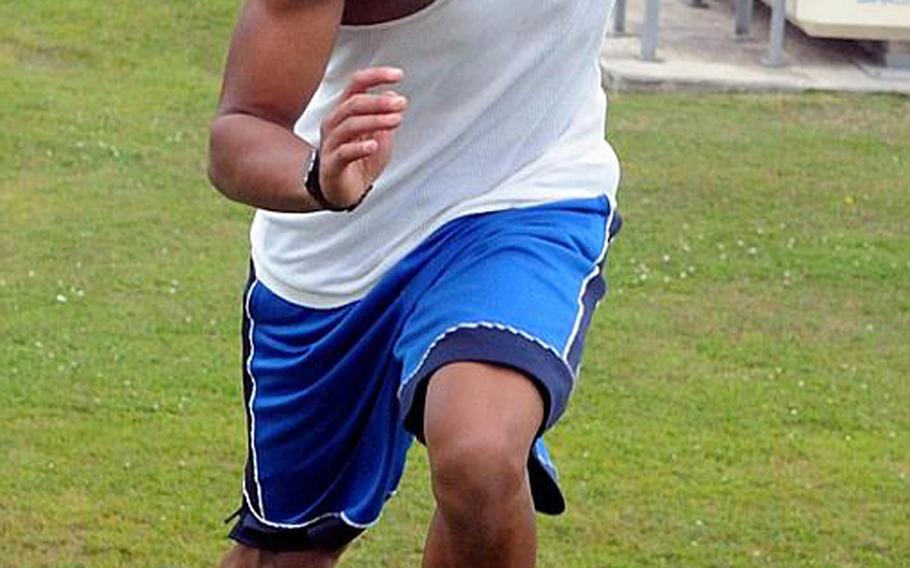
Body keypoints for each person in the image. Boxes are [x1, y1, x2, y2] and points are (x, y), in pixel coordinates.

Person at [207, 1, 621, 566]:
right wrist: (318, 176)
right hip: (338, 253)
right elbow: (240, 128)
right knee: (288, 553)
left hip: (524, 196)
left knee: (481, 455)